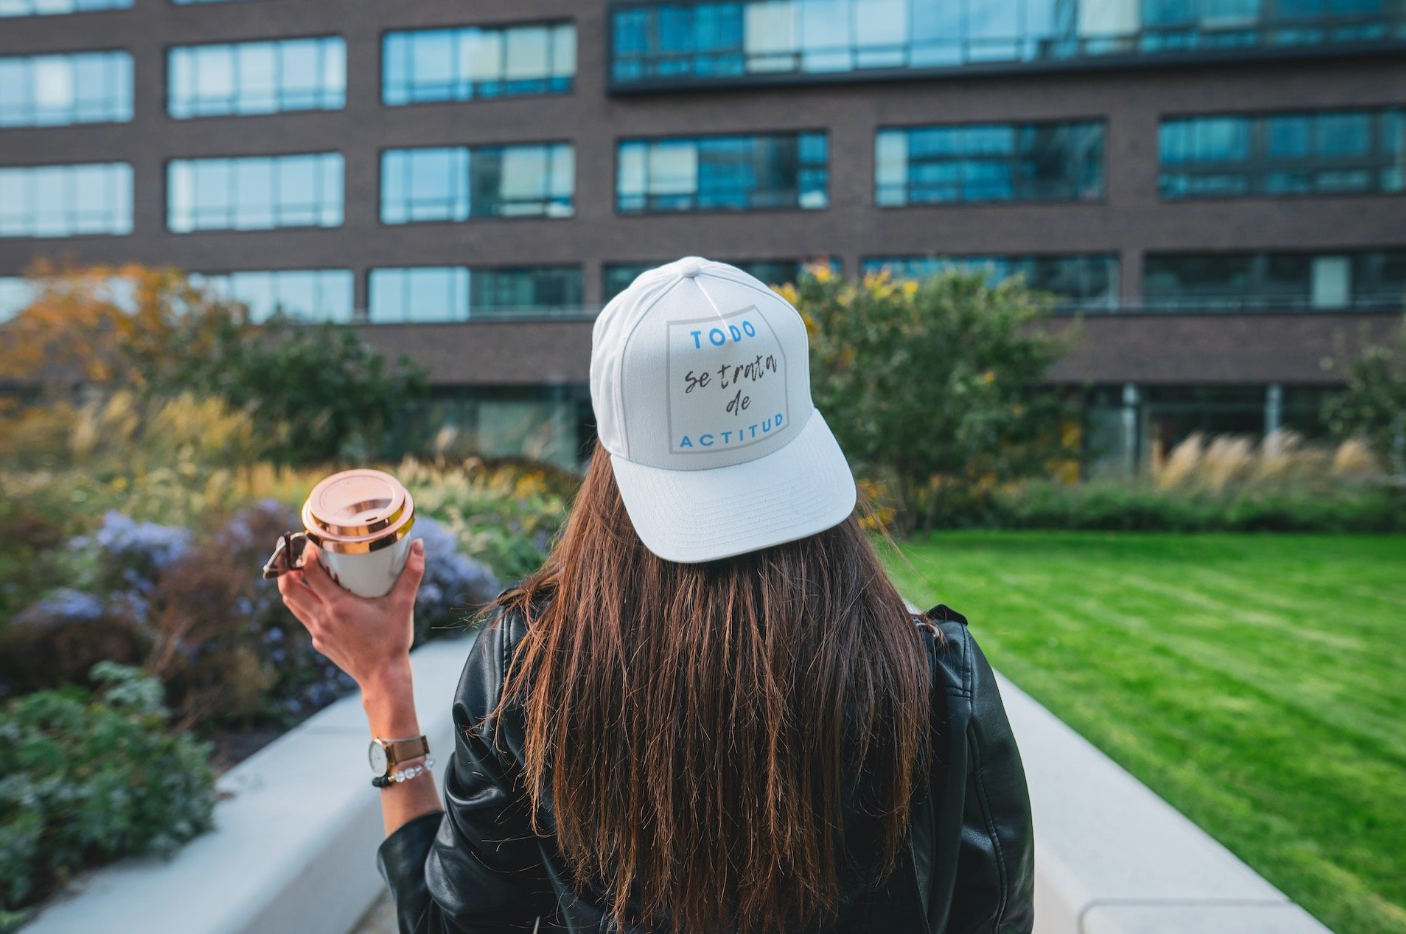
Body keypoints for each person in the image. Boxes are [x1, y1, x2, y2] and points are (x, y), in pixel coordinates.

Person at [277, 257, 1034, 934]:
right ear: (804, 434)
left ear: (608, 449)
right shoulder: (940, 680)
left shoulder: (529, 667)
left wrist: (385, 686)